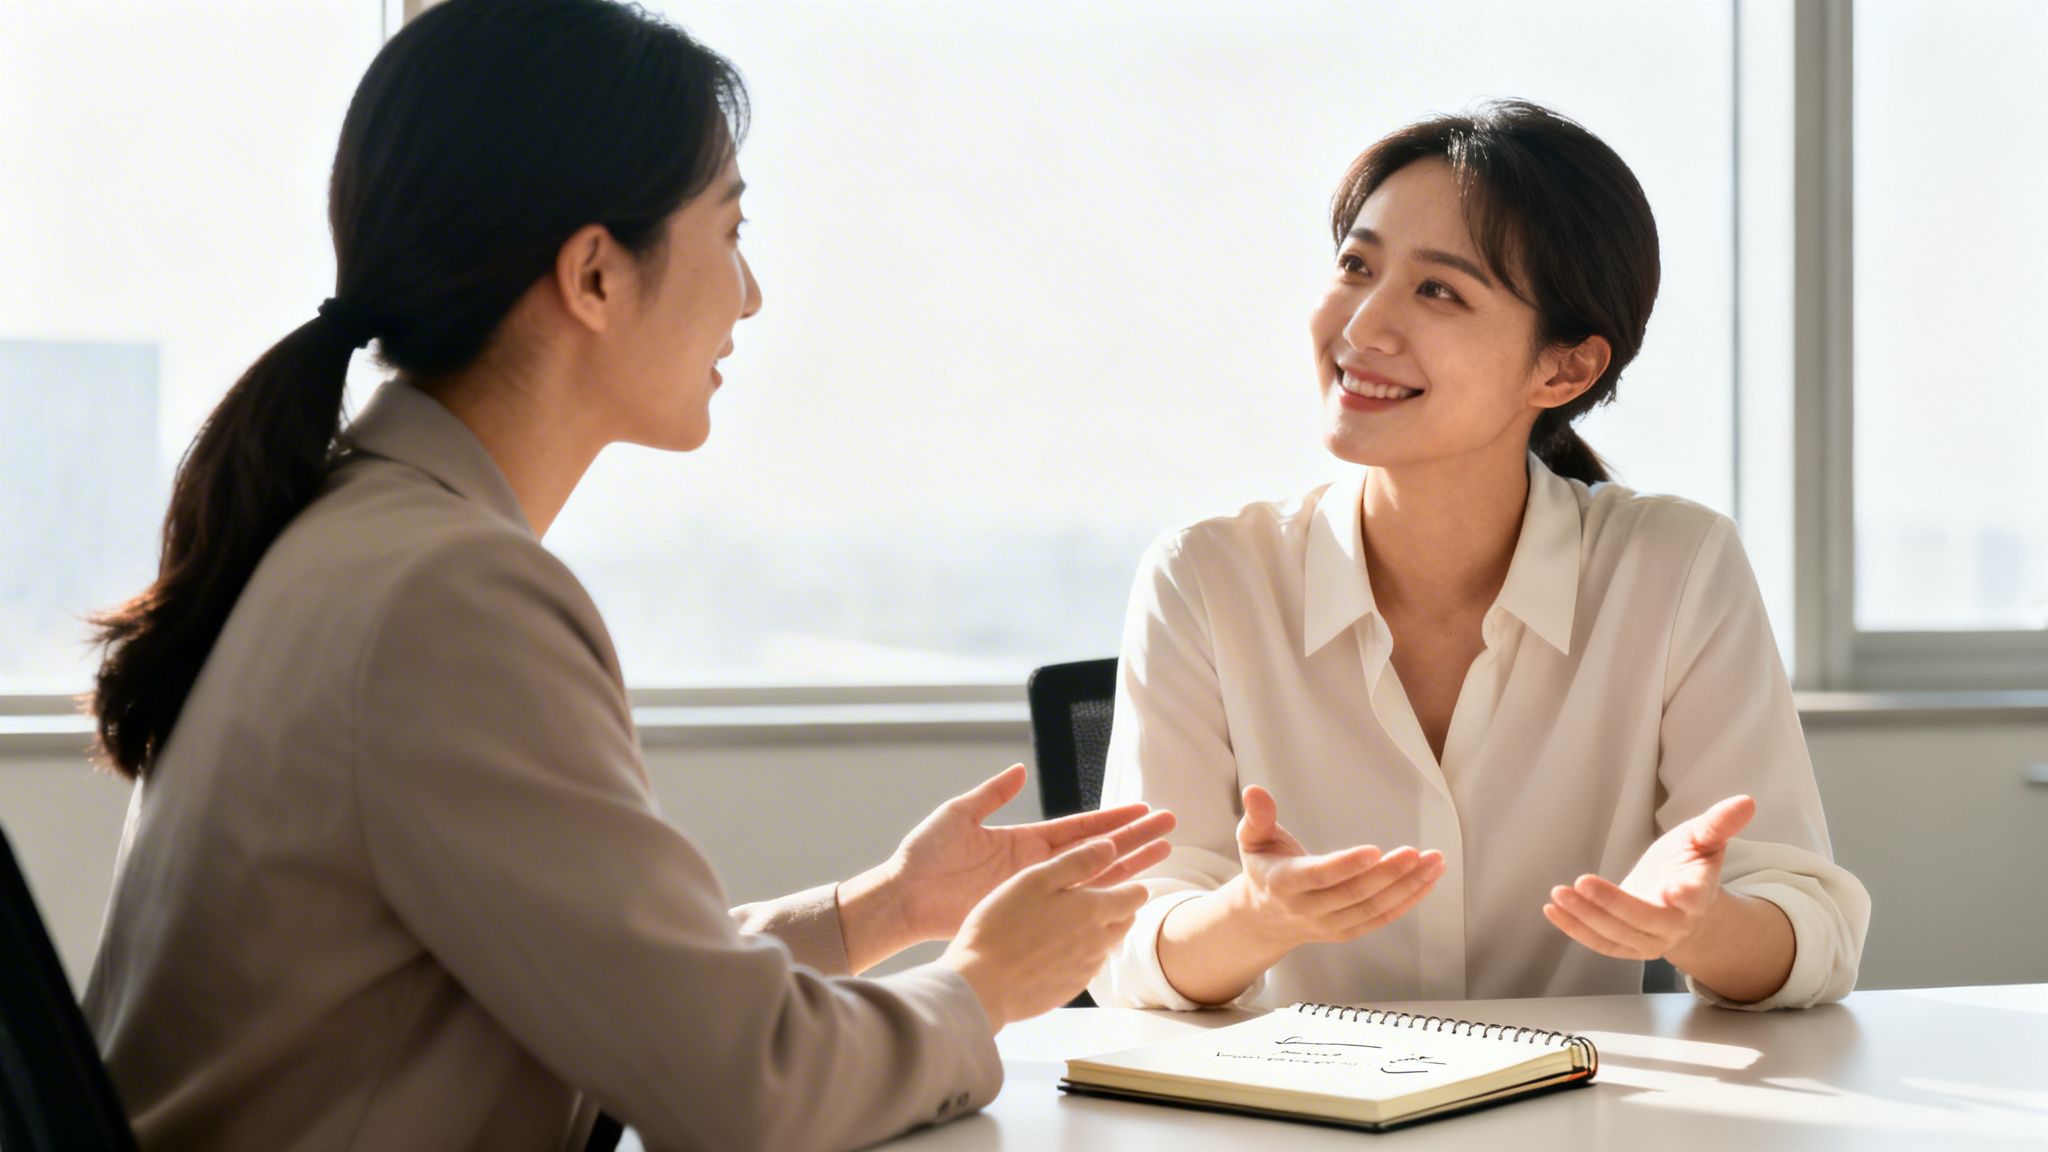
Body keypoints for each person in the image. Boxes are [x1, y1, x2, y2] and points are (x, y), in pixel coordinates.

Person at [82, 2, 1173, 1149]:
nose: (749, 294)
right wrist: (985, 987)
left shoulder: (356, 533)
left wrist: (886, 909)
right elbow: (747, 1088)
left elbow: (610, 982)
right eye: (730, 229)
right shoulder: (446, 598)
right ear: (596, 275)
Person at [1087, 101, 1869, 1013]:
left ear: (1563, 371)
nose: (1363, 326)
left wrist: (1700, 927)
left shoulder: (1674, 566)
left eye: (1439, 291)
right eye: (1356, 266)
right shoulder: (1208, 577)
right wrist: (1254, 918)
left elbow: (1811, 928)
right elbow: (1128, 948)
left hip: (1570, 1116)